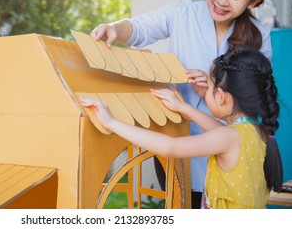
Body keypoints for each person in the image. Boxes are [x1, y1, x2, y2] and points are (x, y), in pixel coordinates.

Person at [91, 0, 272, 208]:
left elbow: (255, 94)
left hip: (227, 147)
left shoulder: (259, 35)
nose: (222, 0)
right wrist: (114, 29)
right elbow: (140, 27)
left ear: (253, 1)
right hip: (177, 132)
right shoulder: (184, 13)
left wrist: (213, 84)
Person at [80, 48, 283, 209]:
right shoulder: (258, 131)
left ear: (221, 97)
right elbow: (218, 129)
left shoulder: (229, 136)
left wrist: (112, 122)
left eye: (210, 88)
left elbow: (171, 147)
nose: (206, 92)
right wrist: (183, 107)